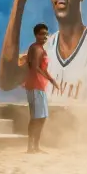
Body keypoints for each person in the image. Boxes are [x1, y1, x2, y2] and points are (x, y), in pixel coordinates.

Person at [23, 23, 60, 153]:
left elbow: (42, 68)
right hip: (34, 85)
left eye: (46, 33)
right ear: (36, 35)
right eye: (41, 34)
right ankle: (30, 146)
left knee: (41, 117)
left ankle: (36, 146)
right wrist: (50, 79)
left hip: (40, 86)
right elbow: (35, 67)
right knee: (36, 117)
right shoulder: (35, 48)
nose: (44, 36)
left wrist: (52, 80)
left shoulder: (40, 48)